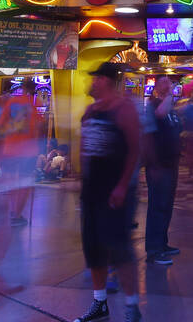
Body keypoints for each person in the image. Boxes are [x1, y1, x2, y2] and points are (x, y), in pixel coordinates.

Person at [76, 62, 143, 322]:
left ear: (105, 80)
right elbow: (85, 146)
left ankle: (132, 306)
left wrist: (123, 185)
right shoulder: (91, 110)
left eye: (95, 78)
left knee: (119, 249)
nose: (91, 82)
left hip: (115, 191)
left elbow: (135, 149)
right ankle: (100, 303)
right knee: (93, 249)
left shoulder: (123, 109)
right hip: (92, 190)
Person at [143, 75, 182, 265]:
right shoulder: (152, 106)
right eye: (164, 82)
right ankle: (154, 250)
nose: (169, 84)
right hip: (158, 165)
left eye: (170, 82)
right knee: (157, 206)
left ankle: (162, 243)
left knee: (166, 206)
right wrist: (153, 164)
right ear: (156, 86)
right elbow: (159, 116)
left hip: (171, 163)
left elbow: (176, 128)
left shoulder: (170, 107)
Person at [0, 77, 40, 226]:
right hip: (27, 151)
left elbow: (0, 125)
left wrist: (10, 134)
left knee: (12, 180)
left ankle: (11, 211)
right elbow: (36, 129)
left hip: (10, 149)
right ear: (33, 89)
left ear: (22, 87)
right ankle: (16, 214)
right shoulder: (32, 106)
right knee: (24, 181)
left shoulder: (11, 103)